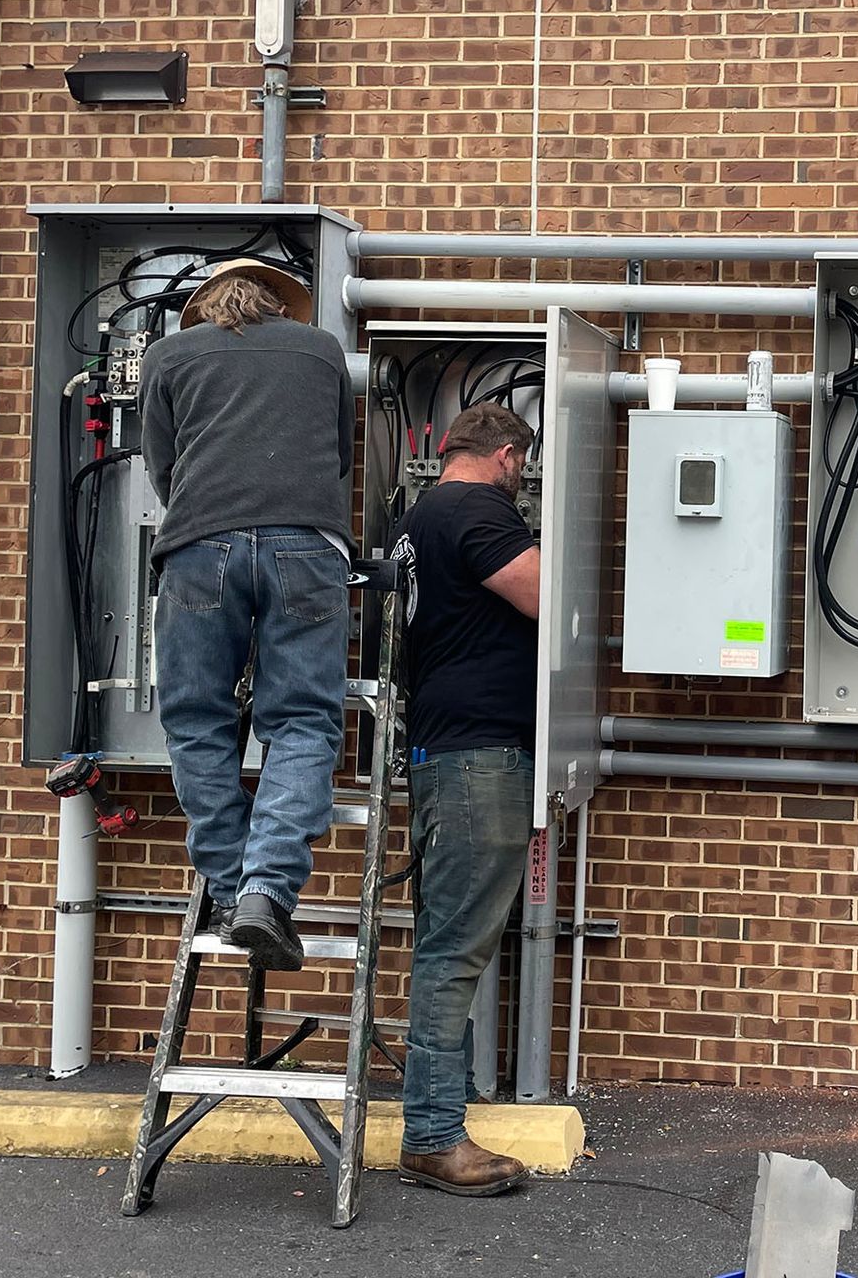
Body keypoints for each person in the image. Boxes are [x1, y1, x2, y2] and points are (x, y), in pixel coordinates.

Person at [139, 258, 354, 973]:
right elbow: (341, 458)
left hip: (200, 548)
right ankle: (268, 891)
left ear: (202, 308)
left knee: (198, 719)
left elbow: (163, 470)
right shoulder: (321, 349)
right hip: (307, 547)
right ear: (282, 305)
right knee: (300, 720)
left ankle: (233, 894)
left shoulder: (170, 356)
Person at [388, 402, 539, 1198]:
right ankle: (434, 1135)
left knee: (449, 946)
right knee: (452, 954)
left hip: (451, 750)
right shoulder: (475, 507)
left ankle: (436, 1122)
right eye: (524, 469)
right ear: (508, 456)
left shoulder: (420, 518)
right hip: (478, 756)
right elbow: (545, 595)